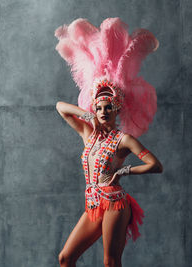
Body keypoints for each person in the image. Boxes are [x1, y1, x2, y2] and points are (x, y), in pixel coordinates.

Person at [54, 18, 164, 267]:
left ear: (117, 110)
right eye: (100, 108)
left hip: (115, 203)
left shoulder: (123, 139)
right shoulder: (87, 133)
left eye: (108, 108)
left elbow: (156, 165)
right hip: (92, 204)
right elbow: (60, 108)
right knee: (65, 258)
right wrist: (86, 114)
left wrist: (123, 171)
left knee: (110, 262)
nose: (103, 112)